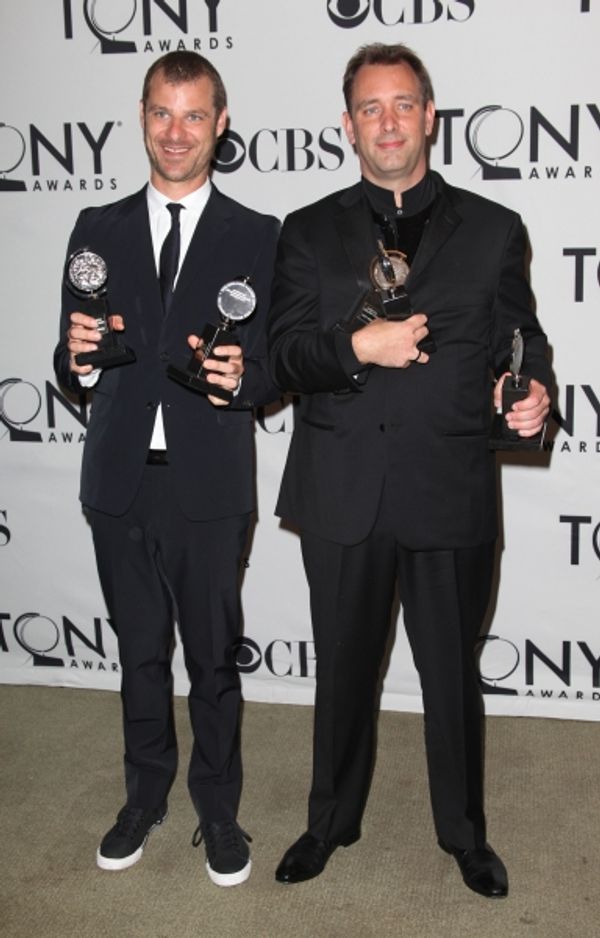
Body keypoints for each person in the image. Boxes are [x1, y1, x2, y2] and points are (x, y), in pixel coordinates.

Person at [267, 42, 551, 898]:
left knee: (450, 672)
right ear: (347, 125)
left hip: (448, 486)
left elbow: (521, 339)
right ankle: (329, 822)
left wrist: (532, 390)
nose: (386, 122)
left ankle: (465, 835)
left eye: (402, 104)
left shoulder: (496, 229)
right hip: (342, 488)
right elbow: (279, 356)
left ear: (430, 115)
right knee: (344, 666)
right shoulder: (308, 231)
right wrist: (358, 346)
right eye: (368, 108)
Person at [54, 51, 279, 887]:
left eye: (194, 116)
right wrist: (72, 360)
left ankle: (218, 810)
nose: (175, 133)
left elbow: (272, 366)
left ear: (221, 124)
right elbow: (72, 353)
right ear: (141, 116)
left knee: (214, 659)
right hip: (118, 480)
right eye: (160, 113)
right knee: (139, 653)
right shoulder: (96, 227)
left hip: (210, 484)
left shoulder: (259, 236)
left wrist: (243, 381)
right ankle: (143, 797)